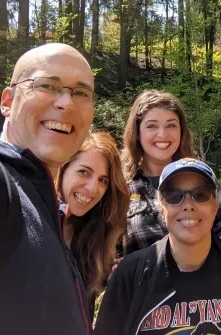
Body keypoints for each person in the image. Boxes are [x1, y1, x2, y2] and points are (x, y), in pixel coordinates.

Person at [0, 43, 95, 334]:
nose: (66, 103)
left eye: (81, 93)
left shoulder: (42, 205)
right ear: (7, 101)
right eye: (47, 85)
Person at [94, 158, 221, 335]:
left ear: (215, 207)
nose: (188, 204)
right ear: (161, 209)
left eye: (201, 194)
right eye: (174, 196)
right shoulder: (130, 274)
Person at [120, 89, 221, 256]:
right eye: (152, 126)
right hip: (141, 280)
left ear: (181, 131)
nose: (163, 134)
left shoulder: (200, 177)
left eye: (171, 125)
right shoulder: (121, 184)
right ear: (137, 133)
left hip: (202, 279)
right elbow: (105, 243)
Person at [55, 131, 130, 320]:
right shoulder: (31, 223)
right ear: (63, 168)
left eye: (102, 180)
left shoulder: (92, 237)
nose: (92, 189)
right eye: (83, 172)